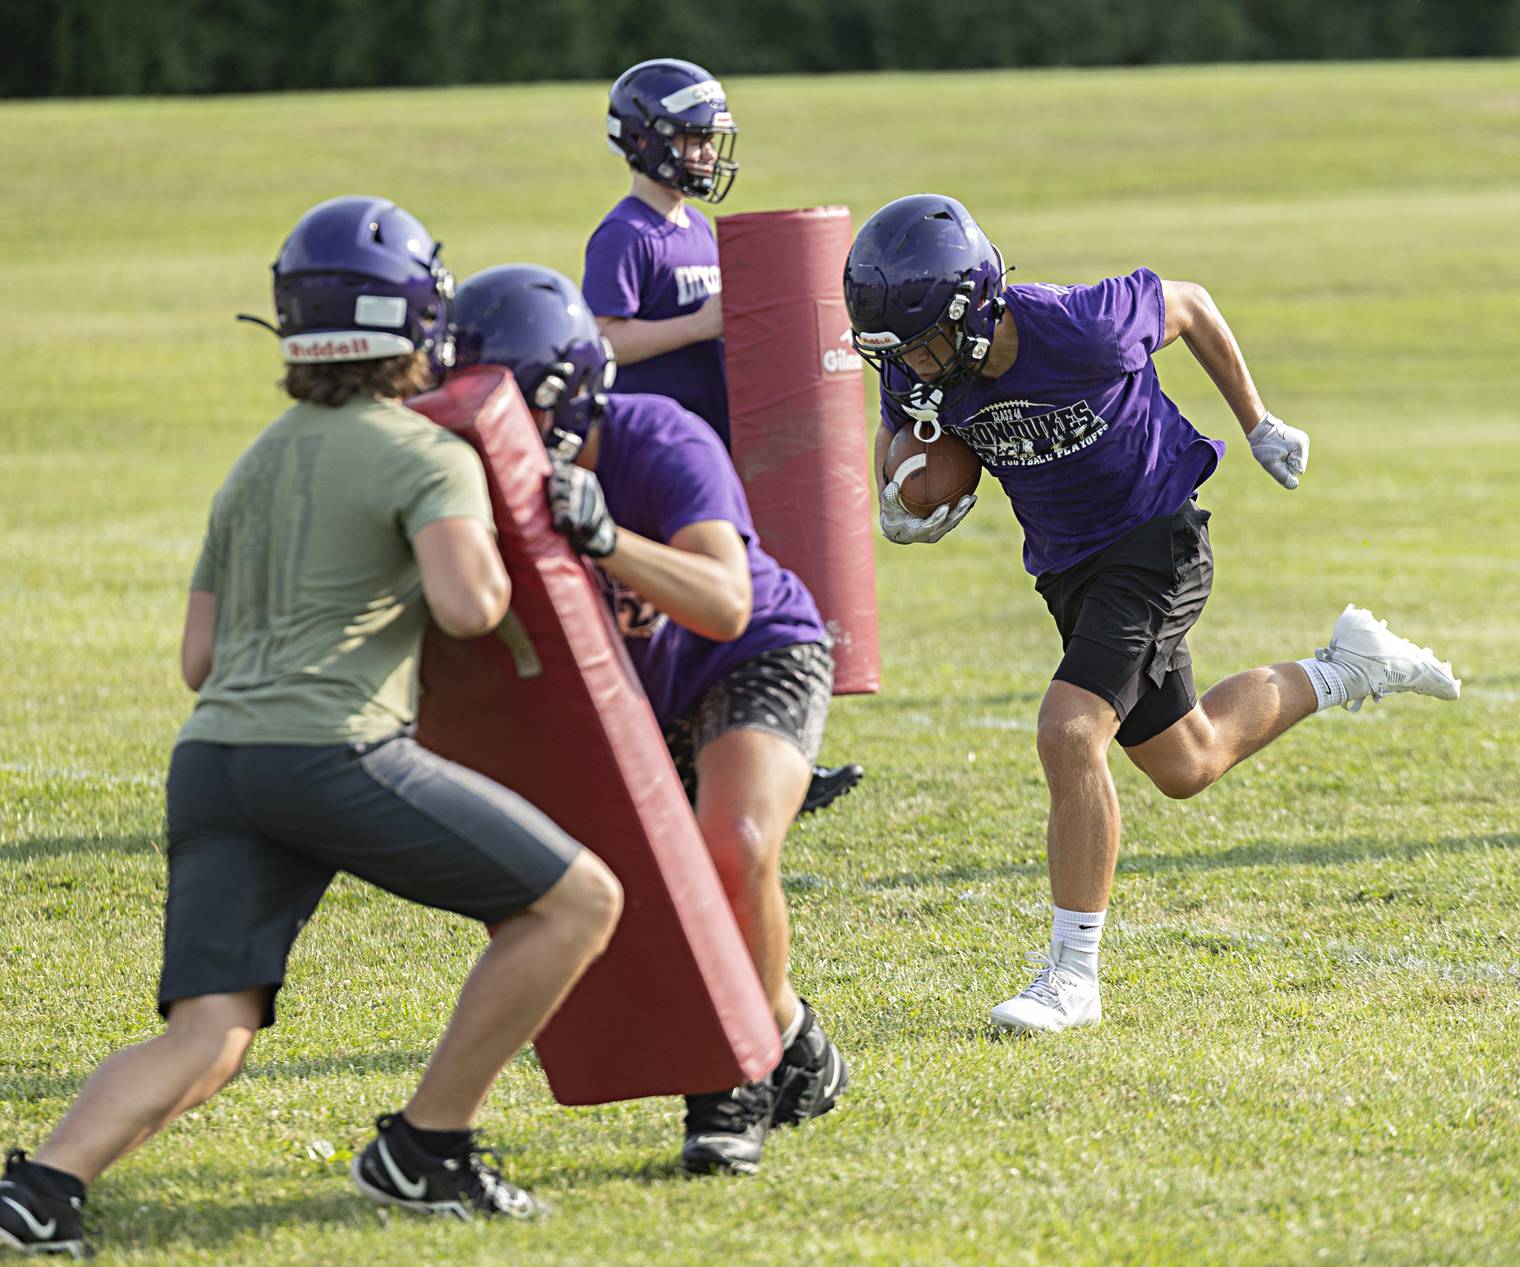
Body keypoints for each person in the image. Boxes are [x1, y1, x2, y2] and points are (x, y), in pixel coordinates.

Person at [0, 197, 623, 1256]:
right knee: (578, 901)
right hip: (328, 752)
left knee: (209, 1032)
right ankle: (427, 1147)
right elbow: (469, 608)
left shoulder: (253, 462)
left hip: (215, 762)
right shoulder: (423, 453)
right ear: (413, 319)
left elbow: (199, 662)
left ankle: (37, 1195)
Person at [844, 193, 1461, 1035]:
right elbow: (904, 443)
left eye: (922, 343)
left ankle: (1072, 977)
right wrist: (900, 493)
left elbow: (1195, 303)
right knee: (1188, 760)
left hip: (1155, 539)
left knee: (1068, 730)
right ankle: (1351, 664)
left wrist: (1259, 421)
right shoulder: (912, 365)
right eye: (896, 349)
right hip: (1069, 568)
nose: (912, 365)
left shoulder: (1081, 325)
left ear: (974, 307)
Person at [451, 263, 849, 1176]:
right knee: (623, 897)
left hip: (748, 656)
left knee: (735, 845)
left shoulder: (660, 437)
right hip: (628, 691)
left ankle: (732, 1084)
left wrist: (607, 539)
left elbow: (725, 602)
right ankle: (790, 1033)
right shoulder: (477, 486)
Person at [584, 55, 862, 816]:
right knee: (684, 611)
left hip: (715, 448)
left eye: (711, 140)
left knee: (751, 598)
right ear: (645, 141)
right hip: (657, 458)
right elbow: (603, 339)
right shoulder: (625, 234)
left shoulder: (701, 228)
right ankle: (690, 760)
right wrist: (704, 323)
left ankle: (774, 753)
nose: (707, 155)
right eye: (693, 139)